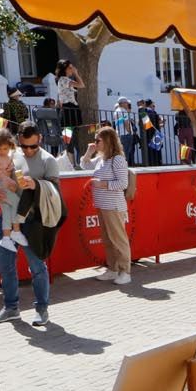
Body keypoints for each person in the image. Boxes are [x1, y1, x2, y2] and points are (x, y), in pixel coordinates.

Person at [0, 123, 57, 325]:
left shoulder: (48, 160)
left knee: (36, 267)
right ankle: (11, 308)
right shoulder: (9, 153)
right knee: (5, 265)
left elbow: (56, 192)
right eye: (24, 146)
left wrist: (36, 184)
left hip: (33, 221)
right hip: (8, 219)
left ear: (40, 140)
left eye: (33, 146)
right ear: (18, 140)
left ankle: (42, 309)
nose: (28, 150)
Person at [84, 125, 133, 284]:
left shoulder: (118, 159)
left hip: (113, 206)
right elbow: (84, 165)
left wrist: (102, 184)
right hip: (102, 205)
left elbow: (123, 183)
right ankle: (113, 269)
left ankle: (125, 271)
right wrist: (88, 153)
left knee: (118, 239)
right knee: (107, 239)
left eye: (98, 140)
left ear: (107, 140)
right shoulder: (101, 158)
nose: (95, 143)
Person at [54, 58, 84, 142]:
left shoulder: (63, 80)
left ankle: (70, 152)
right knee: (68, 137)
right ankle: (69, 153)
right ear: (65, 69)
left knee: (72, 136)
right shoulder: (64, 79)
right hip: (69, 109)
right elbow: (81, 85)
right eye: (70, 68)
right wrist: (76, 73)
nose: (72, 69)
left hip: (71, 108)